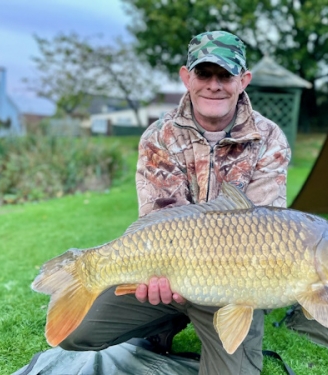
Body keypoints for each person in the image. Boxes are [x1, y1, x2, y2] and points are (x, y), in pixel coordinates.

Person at [60, 30, 291, 375]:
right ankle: (162, 322)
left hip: (235, 283)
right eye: (204, 73)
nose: (214, 84)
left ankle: (190, 322)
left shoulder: (268, 137)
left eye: (225, 75)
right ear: (187, 77)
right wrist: (162, 275)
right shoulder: (159, 136)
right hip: (171, 271)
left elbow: (268, 229)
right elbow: (159, 222)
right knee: (76, 332)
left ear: (243, 81)